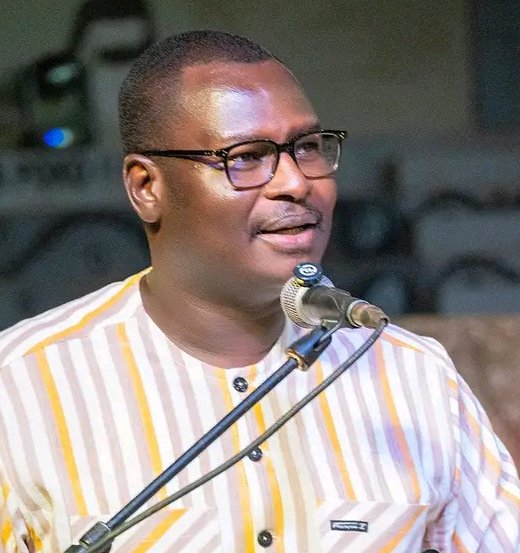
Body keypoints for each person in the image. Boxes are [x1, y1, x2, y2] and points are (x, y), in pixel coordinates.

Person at [0, 30, 518, 553]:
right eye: (246, 157)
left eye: (308, 148)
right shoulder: (22, 385)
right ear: (146, 187)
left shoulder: (416, 377)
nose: (296, 183)